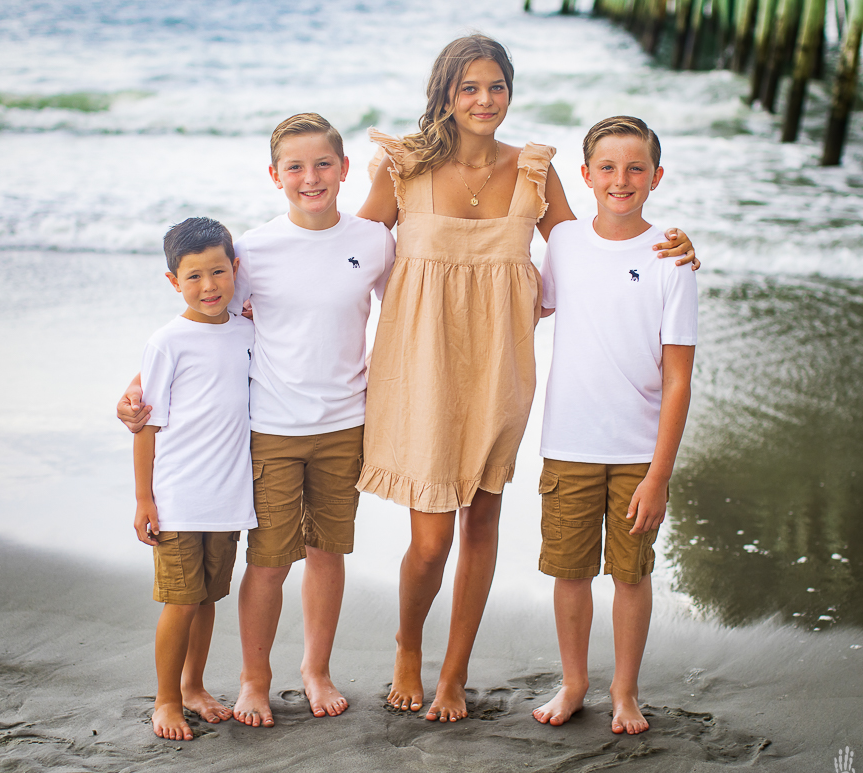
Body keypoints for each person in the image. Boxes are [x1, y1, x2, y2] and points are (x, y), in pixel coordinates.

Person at [355, 35, 699, 723]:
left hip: (500, 367)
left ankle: (453, 674)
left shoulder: (536, 173)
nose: (485, 101)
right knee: (431, 540)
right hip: (420, 366)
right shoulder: (403, 168)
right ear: (446, 94)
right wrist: (253, 288)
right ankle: (406, 646)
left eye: (497, 87)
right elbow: (347, 256)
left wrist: (676, 248)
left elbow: (595, 251)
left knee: (481, 525)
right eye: (470, 88)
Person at [120, 113, 395, 727]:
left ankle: (315, 670)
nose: (311, 177)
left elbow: (404, 315)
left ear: (344, 169)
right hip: (270, 427)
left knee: (327, 552)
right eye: (295, 167)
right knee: (269, 559)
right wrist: (135, 391)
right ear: (275, 176)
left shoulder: (374, 241)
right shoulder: (251, 250)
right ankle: (254, 679)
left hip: (345, 424)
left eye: (323, 163)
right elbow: (201, 316)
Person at [530, 116, 696, 735]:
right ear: (585, 175)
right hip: (568, 444)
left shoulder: (670, 259)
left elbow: (679, 378)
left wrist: (659, 474)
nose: (620, 180)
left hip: (636, 453)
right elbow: (528, 307)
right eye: (607, 167)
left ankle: (625, 691)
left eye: (634, 169)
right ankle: (574, 682)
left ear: (656, 177)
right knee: (569, 571)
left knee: (631, 573)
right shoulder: (566, 243)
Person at [133, 217, 256, 741]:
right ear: (173, 282)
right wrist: (144, 499)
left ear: (235, 271)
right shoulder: (168, 342)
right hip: (179, 498)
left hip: (228, 498)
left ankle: (194, 685)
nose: (209, 286)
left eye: (219, 271)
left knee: (207, 599)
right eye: (193, 277)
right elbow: (146, 425)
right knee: (181, 600)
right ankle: (165, 699)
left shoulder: (249, 331)